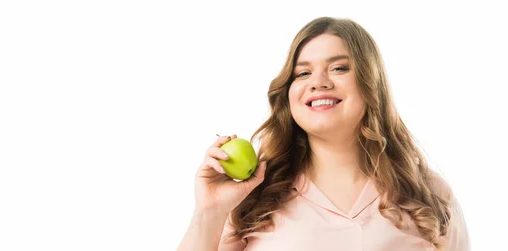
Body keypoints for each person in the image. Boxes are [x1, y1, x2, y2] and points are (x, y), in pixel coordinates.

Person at [177, 16, 470, 251]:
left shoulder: (429, 195)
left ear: (372, 84)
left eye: (339, 68)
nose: (318, 82)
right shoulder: (252, 199)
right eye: (302, 73)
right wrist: (209, 212)